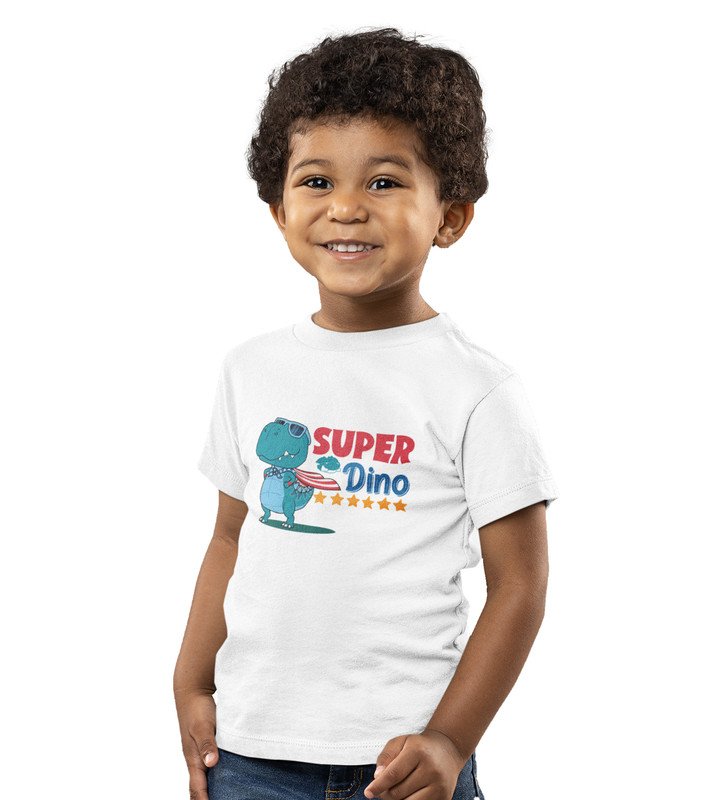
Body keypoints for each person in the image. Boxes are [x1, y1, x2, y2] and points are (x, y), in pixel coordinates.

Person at [173, 26, 559, 800]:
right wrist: (191, 681)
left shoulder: (476, 389)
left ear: (449, 216)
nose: (345, 207)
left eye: (383, 182)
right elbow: (229, 536)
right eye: (316, 181)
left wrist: (449, 739)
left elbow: (518, 585)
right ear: (279, 210)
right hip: (248, 754)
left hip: (400, 763)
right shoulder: (250, 369)